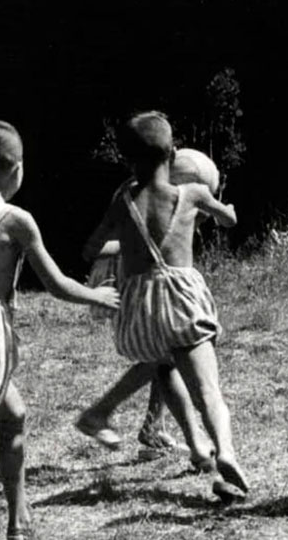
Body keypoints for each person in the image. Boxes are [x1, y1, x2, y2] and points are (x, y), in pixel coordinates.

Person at [0, 120, 119, 540]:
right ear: (17, 170)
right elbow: (53, 282)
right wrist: (96, 296)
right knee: (13, 418)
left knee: (13, 413)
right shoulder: (17, 221)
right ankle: (17, 518)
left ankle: (20, 512)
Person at [77, 111, 248, 502]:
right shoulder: (192, 194)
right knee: (209, 390)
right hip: (180, 301)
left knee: (162, 362)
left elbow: (90, 249)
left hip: (140, 311)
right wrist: (227, 210)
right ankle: (226, 452)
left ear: (127, 159)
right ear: (173, 153)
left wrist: (132, 246)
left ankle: (105, 414)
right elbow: (229, 221)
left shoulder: (122, 200)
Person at [78, 149, 223, 463]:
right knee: (167, 355)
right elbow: (101, 246)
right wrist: (143, 246)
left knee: (166, 359)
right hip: (137, 284)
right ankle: (104, 412)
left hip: (152, 283)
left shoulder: (163, 191)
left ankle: (161, 431)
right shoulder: (133, 194)